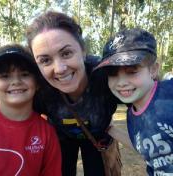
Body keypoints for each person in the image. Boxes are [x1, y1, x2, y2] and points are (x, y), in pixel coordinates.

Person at [25, 11, 121, 176]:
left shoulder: (106, 75)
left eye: (66, 53)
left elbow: (146, 99)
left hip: (98, 138)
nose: (60, 69)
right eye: (45, 60)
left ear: (83, 51)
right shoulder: (40, 90)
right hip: (61, 140)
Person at [94, 28, 173, 175]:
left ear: (153, 69)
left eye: (132, 71)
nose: (121, 82)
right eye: (112, 74)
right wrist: (108, 128)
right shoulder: (132, 115)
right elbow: (146, 150)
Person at [0, 44, 62, 175]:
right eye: (5, 76)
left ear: (37, 83)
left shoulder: (47, 133)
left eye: (25, 74)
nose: (16, 81)